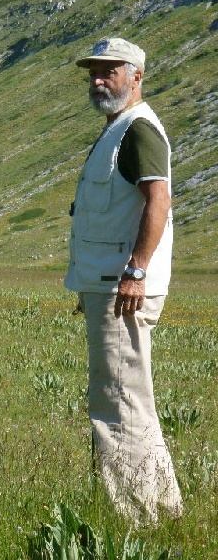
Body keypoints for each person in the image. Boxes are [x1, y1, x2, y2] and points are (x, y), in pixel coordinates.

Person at [64, 37, 183, 524]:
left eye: (109, 72)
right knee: (129, 400)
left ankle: (134, 520)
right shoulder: (118, 130)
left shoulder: (138, 130)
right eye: (93, 72)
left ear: (135, 76)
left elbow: (159, 199)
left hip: (123, 287)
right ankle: (164, 511)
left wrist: (134, 271)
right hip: (108, 284)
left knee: (117, 407)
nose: (97, 80)